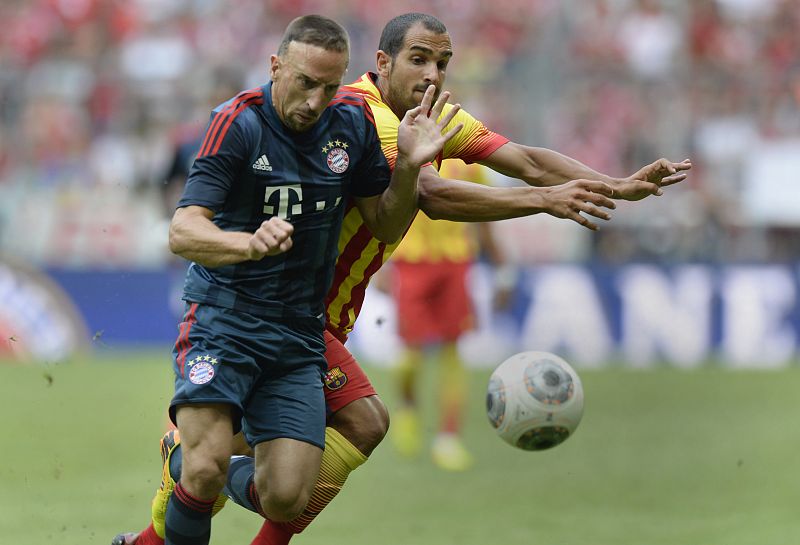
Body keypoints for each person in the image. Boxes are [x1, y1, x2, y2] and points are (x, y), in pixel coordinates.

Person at [114, 12, 691, 545]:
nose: (432, 73)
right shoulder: (361, 115)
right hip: (282, 309)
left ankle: (162, 510)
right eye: (418, 59)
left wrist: (616, 184)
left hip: (318, 315)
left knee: (238, 462)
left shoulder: (432, 117)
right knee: (338, 429)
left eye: (442, 62)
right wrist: (544, 200)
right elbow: (431, 196)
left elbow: (527, 159)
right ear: (382, 63)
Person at [114, 14, 463, 545]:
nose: (316, 101)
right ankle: (193, 468)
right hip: (223, 320)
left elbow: (383, 222)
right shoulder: (238, 123)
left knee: (284, 498)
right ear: (277, 66)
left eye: (330, 86)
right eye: (305, 83)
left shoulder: (352, 125)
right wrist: (246, 243)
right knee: (207, 471)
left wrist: (410, 170)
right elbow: (183, 231)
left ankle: (184, 462)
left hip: (299, 335)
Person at [389, 159, 508, 471]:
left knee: (453, 354)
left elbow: (485, 216)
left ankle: (448, 438)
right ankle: (408, 405)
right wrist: (378, 265)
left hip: (456, 263)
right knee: (409, 358)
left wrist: (503, 271)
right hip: (411, 262)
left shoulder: (469, 159)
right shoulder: (404, 147)